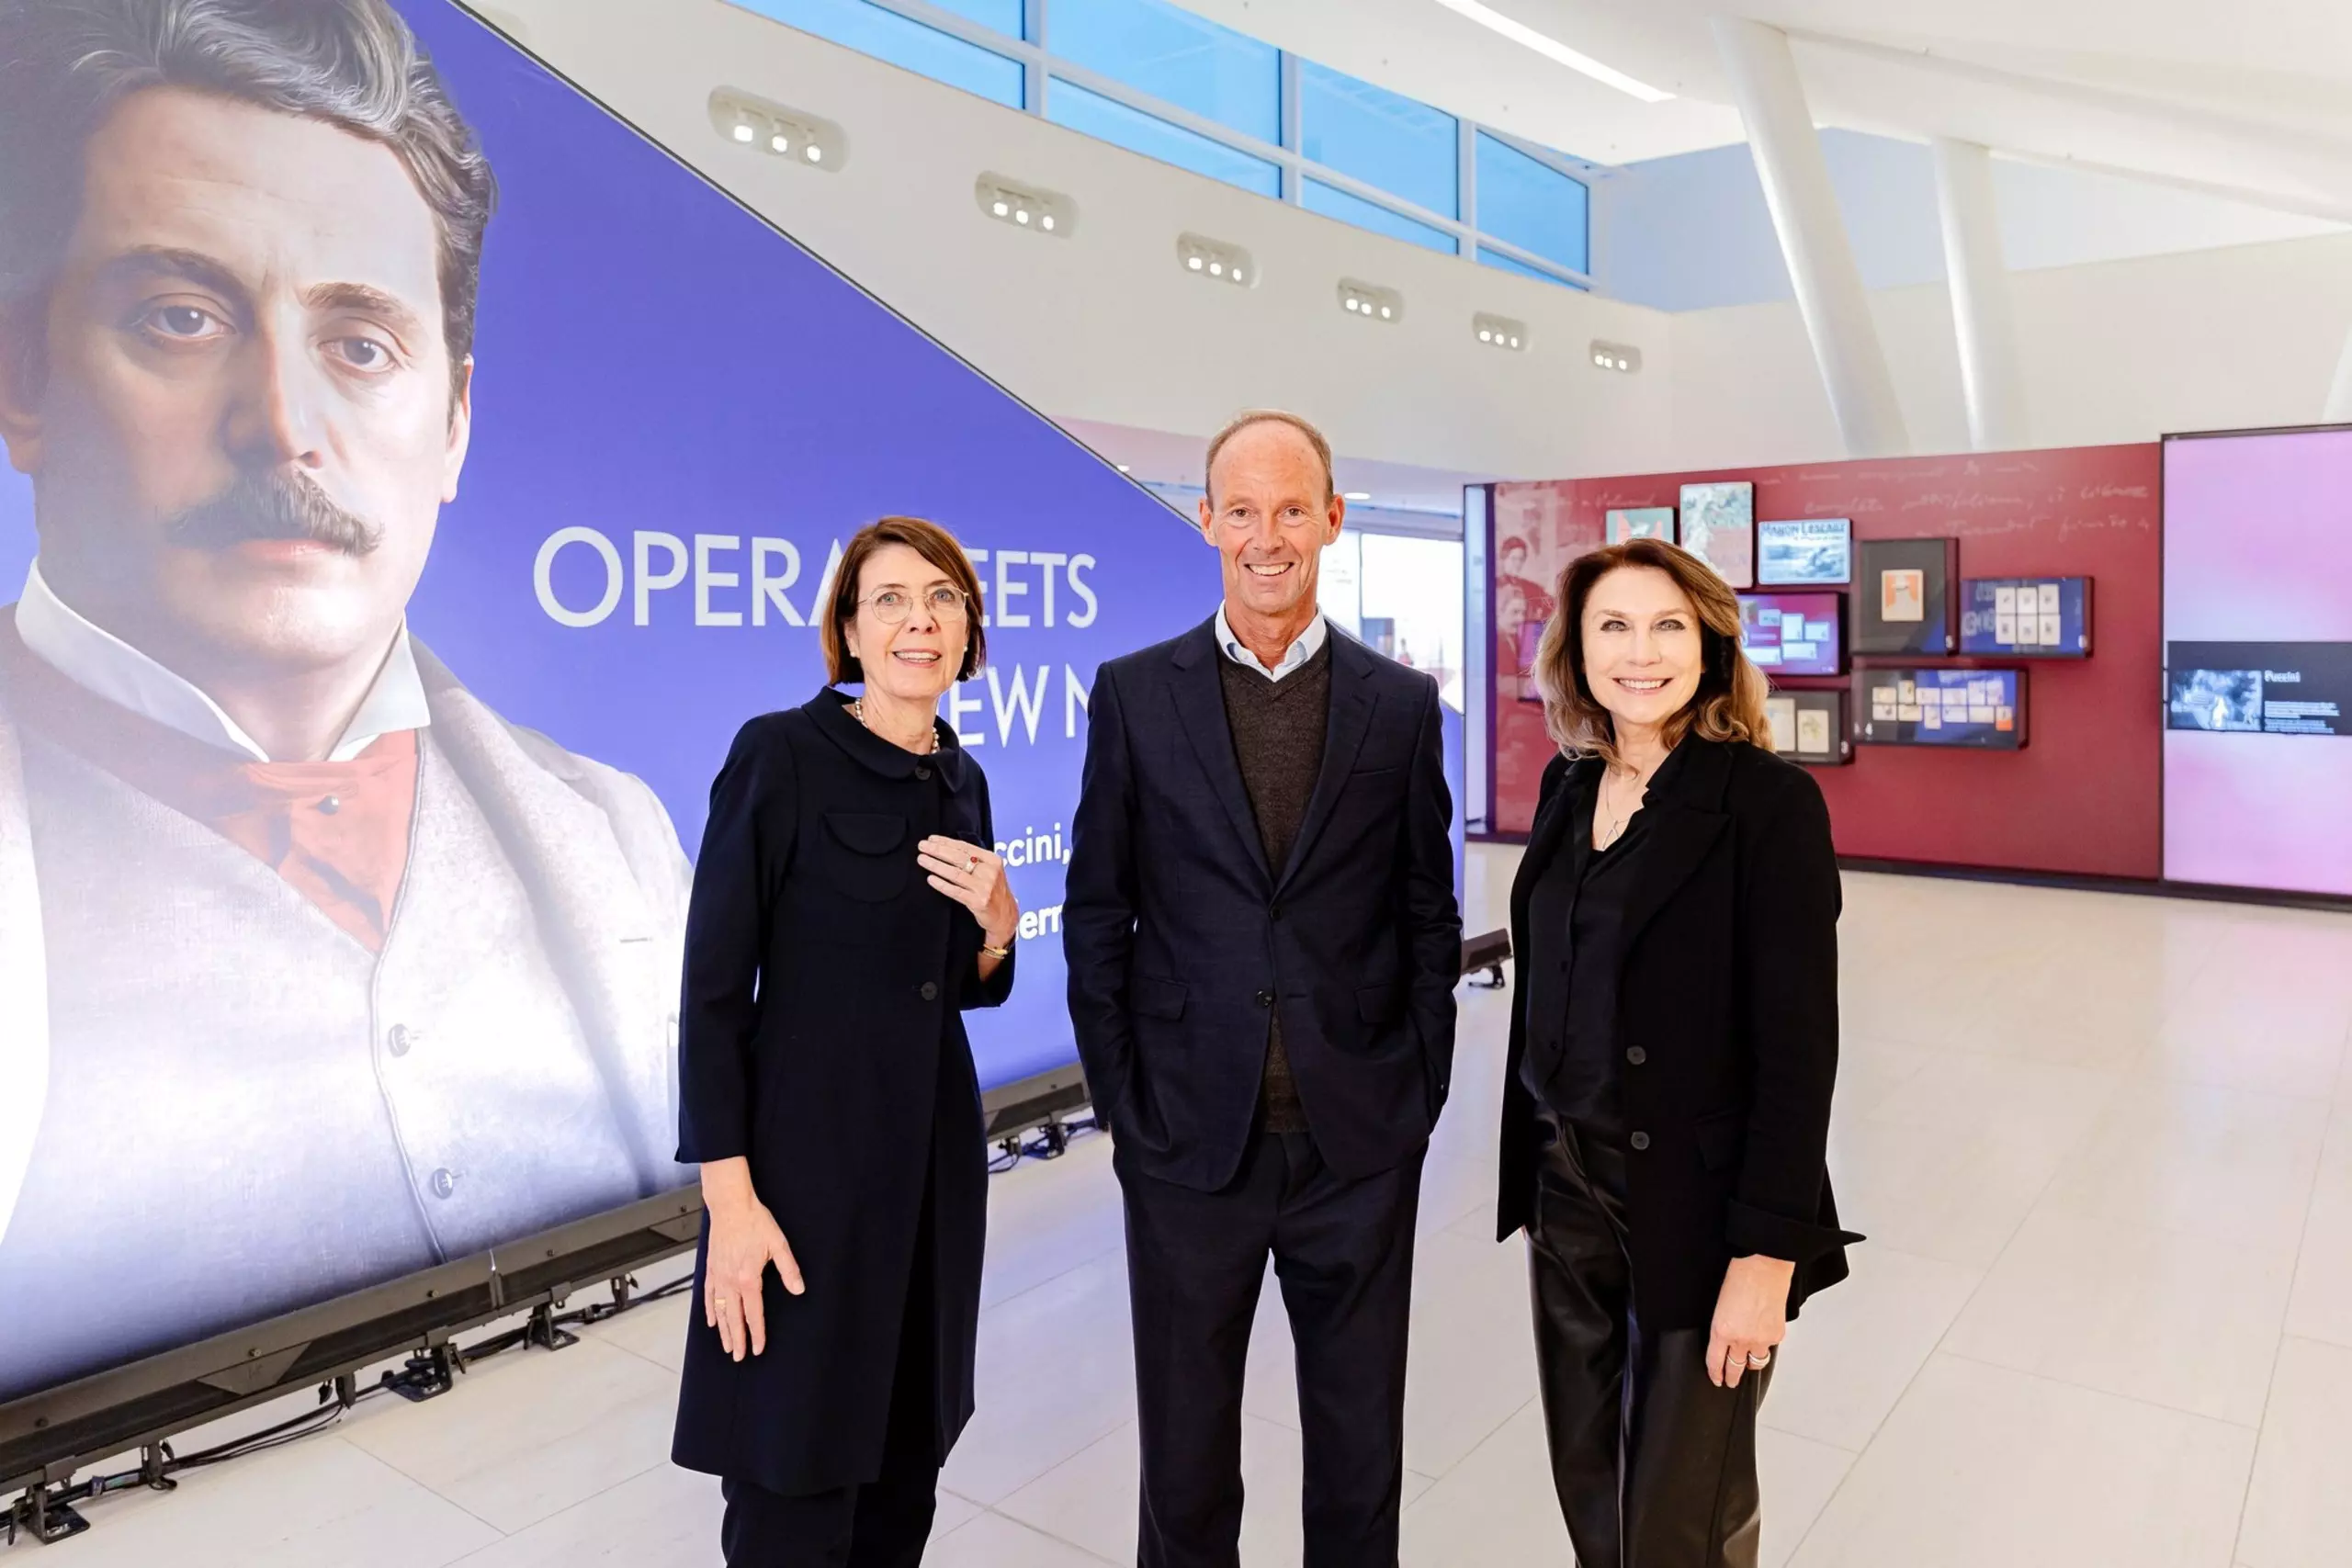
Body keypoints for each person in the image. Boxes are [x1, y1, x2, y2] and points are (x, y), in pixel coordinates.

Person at [0, 0, 694, 1402]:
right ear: (23, 378)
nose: (284, 420)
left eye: (361, 342)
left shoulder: (613, 828)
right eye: (181, 316)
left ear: (452, 424)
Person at [1066, 409, 1462, 1566]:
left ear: (1333, 521)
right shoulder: (1137, 696)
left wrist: (1415, 1094)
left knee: (1357, 1467)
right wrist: (1127, 1110)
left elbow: (1425, 914)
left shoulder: (1396, 706)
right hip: (1189, 1144)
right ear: (1205, 523)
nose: (1267, 534)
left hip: (1356, 1147)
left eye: (1292, 508)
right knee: (1184, 1473)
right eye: (1241, 509)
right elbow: (1100, 915)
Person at [1493, 537, 1860, 1568]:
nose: (1639, 652)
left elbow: (1801, 1051)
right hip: (1565, 1194)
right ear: (1577, 650)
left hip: (1699, 1209)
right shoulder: (1571, 789)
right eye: (1613, 626)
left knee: (1679, 1517)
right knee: (1593, 1493)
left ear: (1708, 645)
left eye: (1666, 626)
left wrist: (1765, 1256)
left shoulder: (1765, 807)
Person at [670, 516, 1017, 1565]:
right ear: (851, 635)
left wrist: (999, 933)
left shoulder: (963, 780)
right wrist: (729, 1206)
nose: (921, 619)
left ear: (967, 632)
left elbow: (954, 982)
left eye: (943, 599)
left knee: (905, 1473)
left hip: (930, 1181)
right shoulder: (780, 756)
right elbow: (713, 994)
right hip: (802, 1186)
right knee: (793, 1480)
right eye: (892, 600)